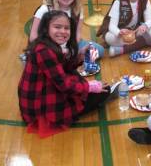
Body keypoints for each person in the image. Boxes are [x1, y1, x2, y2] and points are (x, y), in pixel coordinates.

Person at [18, 10, 110, 138]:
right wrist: (90, 87)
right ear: (46, 28)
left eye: (67, 28)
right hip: (41, 106)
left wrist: (79, 57)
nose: (63, 31)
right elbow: (63, 84)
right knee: (103, 92)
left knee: (83, 82)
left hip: (40, 96)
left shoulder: (47, 45)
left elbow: (62, 68)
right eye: (57, 27)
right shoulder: (44, 50)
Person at [29, 0, 104, 58]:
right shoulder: (45, 9)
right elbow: (33, 37)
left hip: (69, 44)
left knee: (99, 50)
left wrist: (71, 50)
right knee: (50, 59)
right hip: (47, 46)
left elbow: (77, 35)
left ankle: (69, 57)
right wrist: (57, 50)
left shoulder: (77, 9)